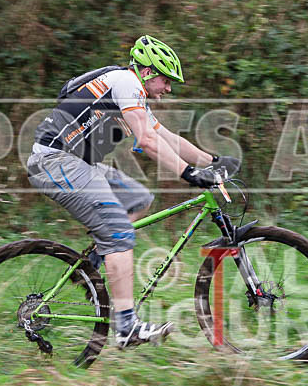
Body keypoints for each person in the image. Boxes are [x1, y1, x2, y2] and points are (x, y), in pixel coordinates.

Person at [26, 35, 240, 348]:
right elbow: (148, 142)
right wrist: (188, 173)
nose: (168, 89)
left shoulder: (133, 95)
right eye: (166, 81)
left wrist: (213, 161)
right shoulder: (126, 82)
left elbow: (166, 137)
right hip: (55, 162)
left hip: (76, 163)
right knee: (119, 233)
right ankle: (126, 327)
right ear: (148, 73)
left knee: (138, 199)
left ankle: (91, 267)